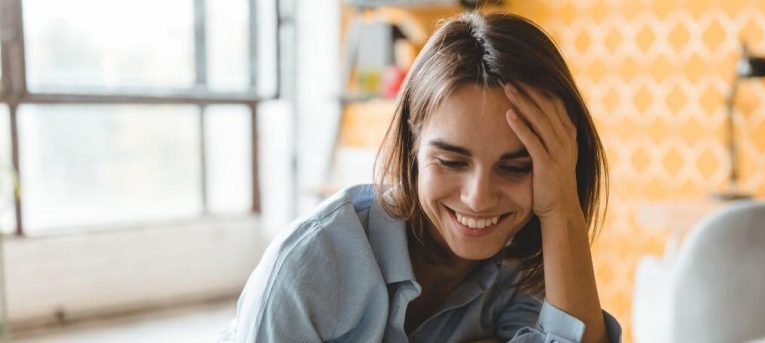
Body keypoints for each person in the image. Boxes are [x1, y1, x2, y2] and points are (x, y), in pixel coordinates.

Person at [223, 11, 620, 343]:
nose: (479, 198)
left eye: (515, 167)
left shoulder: (520, 267)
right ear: (413, 141)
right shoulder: (312, 267)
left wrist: (561, 208)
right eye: (451, 161)